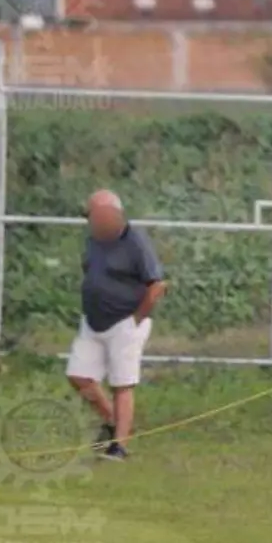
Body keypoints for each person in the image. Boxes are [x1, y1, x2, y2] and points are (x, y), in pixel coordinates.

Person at [65, 190, 167, 461]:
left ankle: (119, 446)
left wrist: (136, 319)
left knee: (122, 383)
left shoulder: (135, 241)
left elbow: (157, 285)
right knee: (79, 376)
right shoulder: (94, 240)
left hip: (125, 320)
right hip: (93, 321)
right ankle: (111, 419)